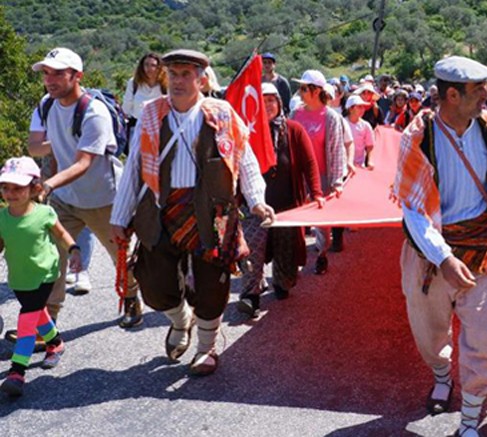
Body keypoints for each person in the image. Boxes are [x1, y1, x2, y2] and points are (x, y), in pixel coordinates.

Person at [109, 49, 275, 376]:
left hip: (213, 214)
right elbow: (133, 167)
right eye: (173, 74)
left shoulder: (222, 113)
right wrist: (119, 215)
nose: (179, 81)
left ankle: (205, 348)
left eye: (186, 74)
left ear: (201, 78)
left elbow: (246, 159)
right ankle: (179, 320)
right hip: (160, 211)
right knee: (154, 285)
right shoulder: (151, 113)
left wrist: (257, 200)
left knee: (214, 285)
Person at [393, 56, 487, 437]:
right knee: (429, 332)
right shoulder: (418, 136)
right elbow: (412, 211)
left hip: (483, 243)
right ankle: (442, 374)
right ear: (451, 94)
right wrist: (443, 257)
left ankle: (469, 420)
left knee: (481, 338)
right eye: (479, 89)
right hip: (432, 248)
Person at [26, 47, 142, 329]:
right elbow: (34, 147)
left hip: (103, 198)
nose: (50, 80)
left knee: (122, 258)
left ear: (77, 76)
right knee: (51, 257)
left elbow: (83, 163)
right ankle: (48, 321)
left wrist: (49, 184)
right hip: (66, 199)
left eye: (58, 73)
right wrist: (63, 140)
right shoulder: (47, 104)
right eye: (46, 73)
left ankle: (131, 299)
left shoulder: (94, 111)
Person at [237, 83, 325, 317]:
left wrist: (316, 193)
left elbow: (309, 163)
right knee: (253, 251)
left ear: (279, 103)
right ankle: (250, 295)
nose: (267, 106)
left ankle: (281, 281)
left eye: (271, 100)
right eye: (262, 101)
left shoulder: (294, 130)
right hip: (254, 205)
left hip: (287, 206)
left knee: (286, 261)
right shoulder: (246, 132)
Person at [0, 157, 80, 396]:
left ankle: (17, 372)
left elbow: (62, 233)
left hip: (46, 273)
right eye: (6, 187)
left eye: (18, 188)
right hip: (20, 278)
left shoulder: (44, 213)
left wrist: (74, 250)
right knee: (37, 313)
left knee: (26, 320)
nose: (11, 193)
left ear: (34, 188)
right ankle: (55, 343)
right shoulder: (2, 218)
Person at [290, 69, 351, 269]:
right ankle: (293, 260)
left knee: (321, 222)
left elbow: (336, 150)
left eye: (304, 88)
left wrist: (336, 182)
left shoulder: (331, 117)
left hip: (322, 175)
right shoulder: (295, 113)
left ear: (316, 91)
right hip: (297, 175)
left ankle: (322, 253)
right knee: (296, 218)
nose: (300, 92)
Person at [122, 53, 167, 134]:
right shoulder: (134, 83)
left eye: (153, 65)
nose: (149, 68)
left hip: (159, 129)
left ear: (159, 67)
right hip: (137, 128)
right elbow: (126, 106)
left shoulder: (165, 85)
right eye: (146, 64)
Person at [345, 95, 375, 168]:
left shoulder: (366, 126)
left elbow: (370, 145)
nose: (362, 110)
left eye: (363, 107)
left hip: (359, 166)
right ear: (350, 109)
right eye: (359, 107)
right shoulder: (341, 123)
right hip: (343, 166)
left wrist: (369, 161)